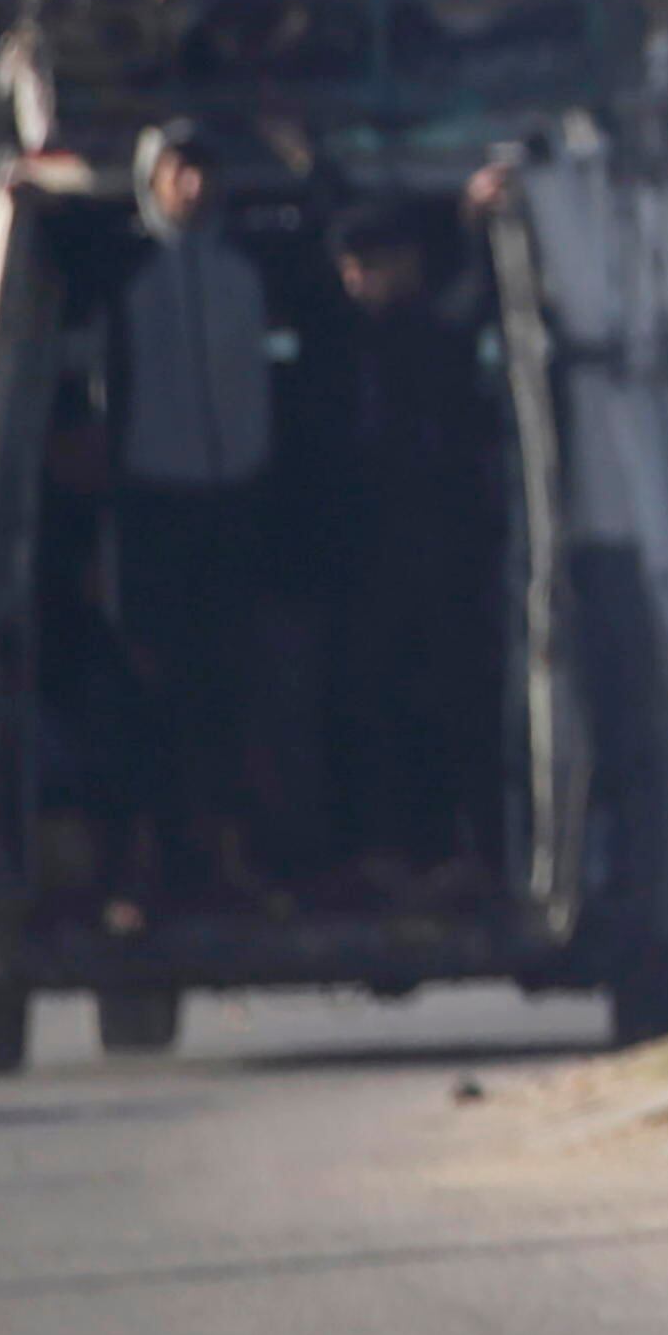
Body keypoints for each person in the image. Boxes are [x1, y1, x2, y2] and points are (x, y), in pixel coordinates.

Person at [276, 194, 512, 881]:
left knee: (445, 699)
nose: (357, 281)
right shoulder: (341, 342)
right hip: (363, 559)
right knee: (367, 705)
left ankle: (457, 849)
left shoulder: (433, 335)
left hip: (438, 553)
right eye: (349, 267)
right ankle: (381, 849)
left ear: (406, 265)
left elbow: (475, 306)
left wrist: (474, 224)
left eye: (370, 266)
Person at [101, 121, 283, 890]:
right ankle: (149, 854)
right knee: (150, 685)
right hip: (153, 497)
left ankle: (231, 849)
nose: (194, 187)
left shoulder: (247, 271)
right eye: (179, 170)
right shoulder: (126, 268)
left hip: (235, 495)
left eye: (205, 170)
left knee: (229, 685)